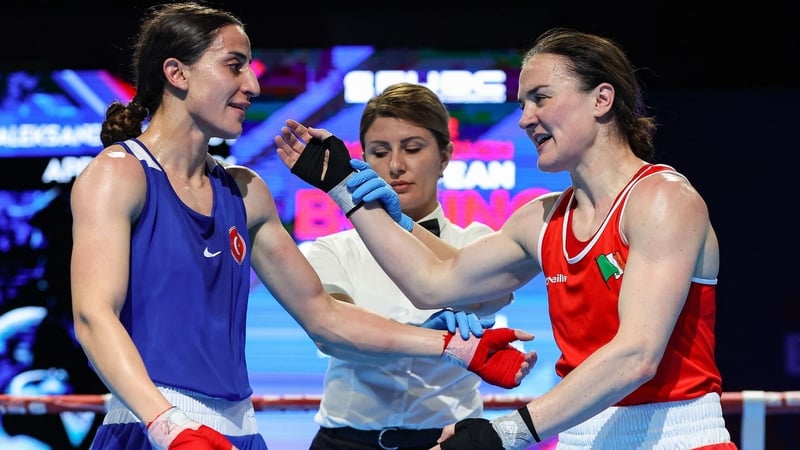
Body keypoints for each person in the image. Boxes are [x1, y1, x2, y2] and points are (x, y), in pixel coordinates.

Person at [68, 3, 536, 450]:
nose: (252, 84)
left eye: (250, 67)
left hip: (239, 430)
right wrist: (168, 426)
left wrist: (455, 348)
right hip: (151, 428)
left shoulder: (245, 191)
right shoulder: (119, 173)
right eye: (234, 65)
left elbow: (324, 317)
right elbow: (93, 318)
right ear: (177, 73)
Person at [275, 27, 737, 450]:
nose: (524, 119)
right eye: (522, 104)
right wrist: (344, 188)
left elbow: (635, 356)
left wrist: (505, 433)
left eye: (540, 98)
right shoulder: (540, 217)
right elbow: (433, 283)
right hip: (581, 436)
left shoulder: (661, 199)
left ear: (601, 99)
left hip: (675, 436)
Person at [305, 82, 514, 450]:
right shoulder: (331, 250)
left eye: (413, 148)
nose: (396, 165)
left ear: (445, 156)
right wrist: (433, 340)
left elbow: (496, 295)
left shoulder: (477, 243)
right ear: (363, 161)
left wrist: (403, 225)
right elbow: (337, 339)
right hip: (344, 443)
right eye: (379, 152)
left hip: (447, 441)